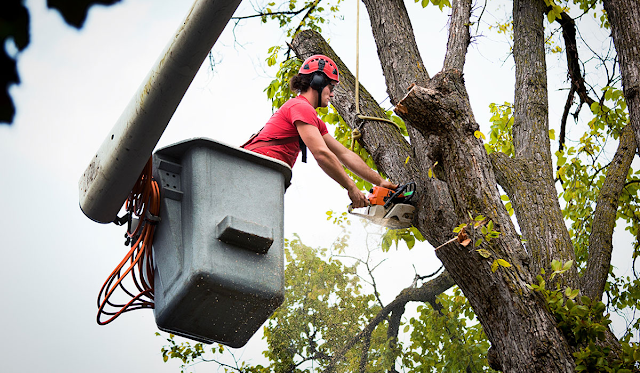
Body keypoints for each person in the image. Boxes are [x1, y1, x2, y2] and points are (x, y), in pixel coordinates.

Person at [242, 54, 397, 208]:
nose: (332, 94)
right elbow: (321, 154)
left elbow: (344, 154)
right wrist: (351, 187)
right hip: (251, 170)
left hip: (263, 174)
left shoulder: (312, 120)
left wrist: (380, 182)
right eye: (331, 87)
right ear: (317, 82)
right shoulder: (300, 107)